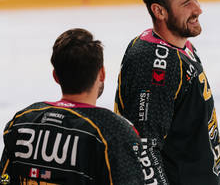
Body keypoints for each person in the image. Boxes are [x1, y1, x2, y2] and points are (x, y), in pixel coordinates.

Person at [114, 0, 220, 185]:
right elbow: (143, 150)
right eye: (186, 3)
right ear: (159, 11)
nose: (198, 8)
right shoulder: (156, 66)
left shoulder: (181, 47)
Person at [0, 28, 144, 185]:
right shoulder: (115, 131)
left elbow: (5, 180)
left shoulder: (22, 123)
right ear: (102, 73)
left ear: (55, 76)